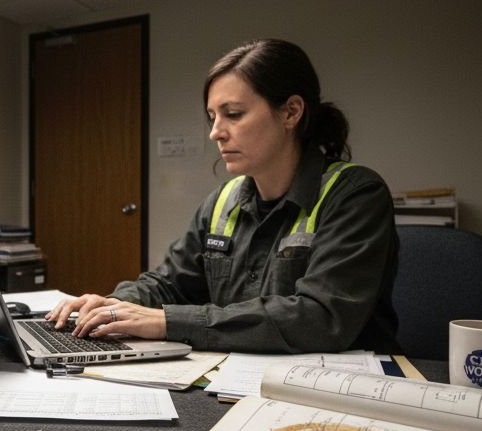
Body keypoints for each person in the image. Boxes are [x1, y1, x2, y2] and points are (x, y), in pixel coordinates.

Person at [47, 39, 400, 354]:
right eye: (212, 117)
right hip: (239, 378)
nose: (216, 132)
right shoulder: (222, 200)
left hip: (337, 387)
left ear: (291, 112)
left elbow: (320, 318)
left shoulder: (355, 195)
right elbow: (170, 282)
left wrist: (166, 321)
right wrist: (113, 306)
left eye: (233, 114)